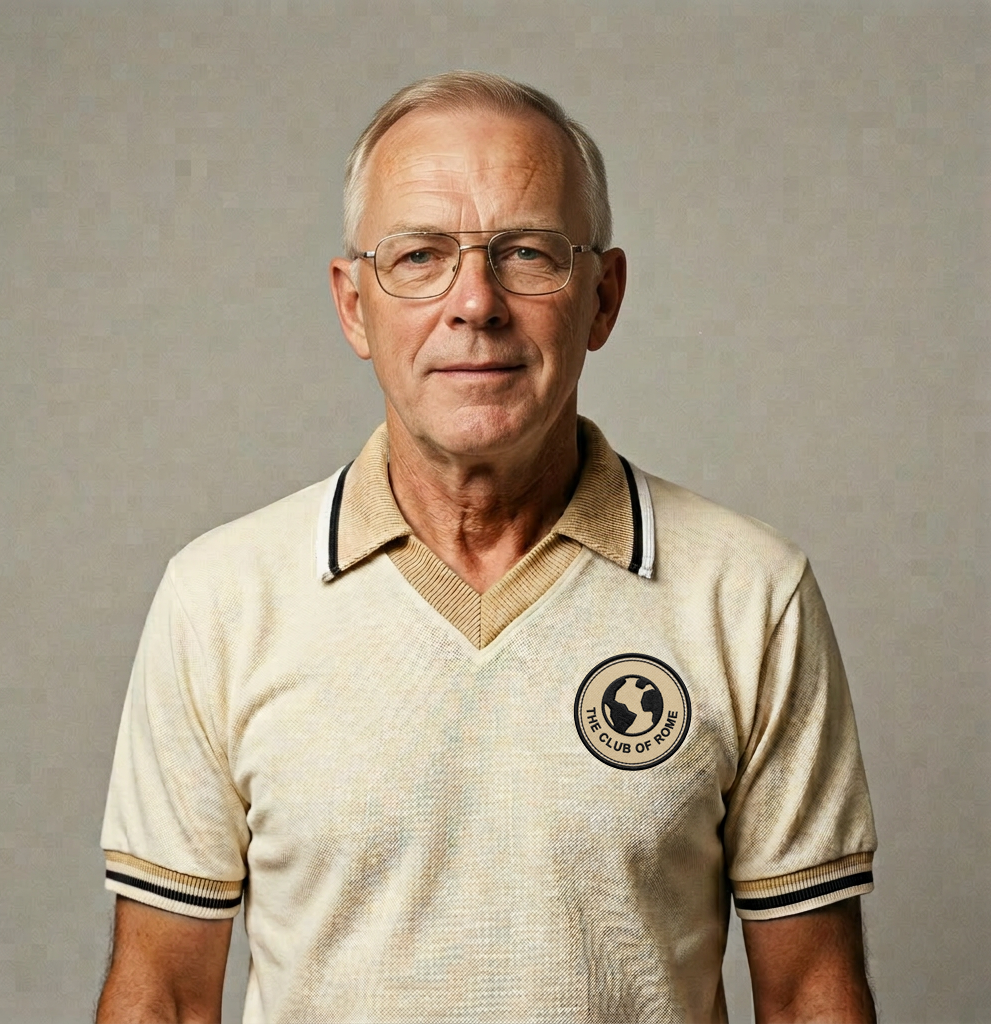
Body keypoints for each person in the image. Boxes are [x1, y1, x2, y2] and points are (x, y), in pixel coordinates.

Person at [96, 71, 877, 1023]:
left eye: (527, 253)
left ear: (603, 297)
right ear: (353, 306)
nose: (476, 303)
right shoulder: (218, 600)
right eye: (420, 256)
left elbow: (810, 997)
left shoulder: (750, 594)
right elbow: (164, 999)